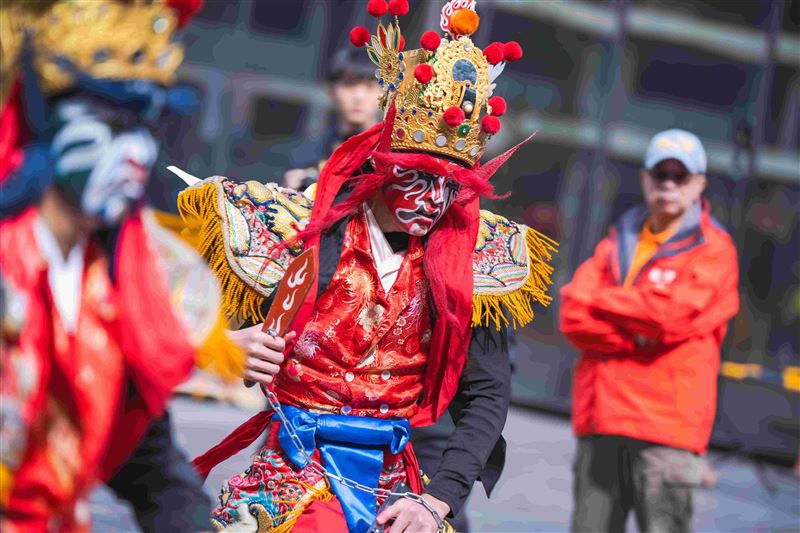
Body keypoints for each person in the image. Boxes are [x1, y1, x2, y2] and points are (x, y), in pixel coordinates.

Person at [175, 2, 556, 532]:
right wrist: (223, 346)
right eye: (421, 178)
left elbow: (488, 394)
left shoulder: (472, 257)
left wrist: (438, 499)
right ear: (383, 167)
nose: (434, 200)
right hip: (292, 474)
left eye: (452, 186)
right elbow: (183, 313)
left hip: (399, 482)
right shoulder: (302, 226)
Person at [0, 1, 244, 531]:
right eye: (108, 123)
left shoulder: (129, 284)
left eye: (143, 125)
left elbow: (152, 469)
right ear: (44, 122)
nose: (133, 151)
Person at [560, 129, 740, 533]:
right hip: (601, 419)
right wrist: (632, 334)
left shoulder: (716, 250)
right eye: (661, 175)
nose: (669, 185)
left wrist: (605, 302)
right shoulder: (619, 237)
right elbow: (573, 310)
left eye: (681, 176)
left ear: (699, 185)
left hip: (666, 431)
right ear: (645, 179)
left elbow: (670, 316)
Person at [280, 47, 384, 191]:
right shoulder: (305, 155)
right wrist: (286, 193)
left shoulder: (392, 156)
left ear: (384, 93)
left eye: (370, 86)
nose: (359, 96)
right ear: (332, 90)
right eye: (350, 84)